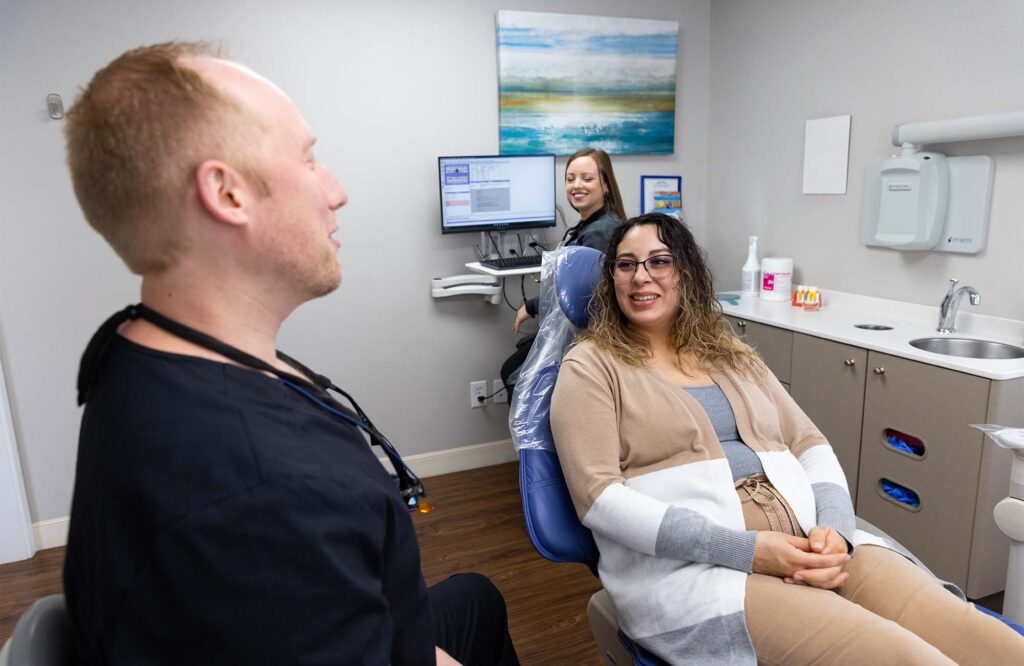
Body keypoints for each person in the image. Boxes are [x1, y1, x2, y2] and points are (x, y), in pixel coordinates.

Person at [62, 42, 518, 666]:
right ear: (226, 194)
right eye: (308, 159)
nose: (336, 191)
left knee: (475, 598)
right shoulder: (266, 496)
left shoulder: (129, 352)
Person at [550, 212, 1023, 665]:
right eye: (626, 265)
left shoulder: (730, 355)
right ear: (610, 280)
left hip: (806, 538)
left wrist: (836, 530)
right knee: (904, 656)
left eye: (659, 261)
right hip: (697, 572)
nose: (640, 277)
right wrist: (750, 551)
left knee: (976, 635)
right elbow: (599, 500)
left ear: (687, 273)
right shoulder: (590, 367)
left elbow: (809, 443)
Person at [502, 148, 625, 394]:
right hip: (574, 331)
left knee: (514, 376)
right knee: (516, 366)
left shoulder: (601, 232)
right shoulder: (591, 225)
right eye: (570, 179)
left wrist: (532, 306)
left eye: (587, 178)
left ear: (606, 184)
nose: (576, 185)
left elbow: (578, 291)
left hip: (586, 337)